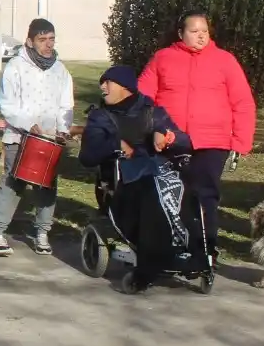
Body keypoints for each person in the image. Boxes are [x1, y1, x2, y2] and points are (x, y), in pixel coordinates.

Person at [138, 11, 255, 261]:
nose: (201, 36)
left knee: (205, 196)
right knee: (169, 193)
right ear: (181, 34)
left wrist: (241, 141)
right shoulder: (163, 58)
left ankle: (206, 250)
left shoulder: (225, 61)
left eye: (205, 31)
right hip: (171, 139)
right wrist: (155, 128)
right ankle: (168, 245)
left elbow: (243, 102)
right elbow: (143, 98)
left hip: (213, 142)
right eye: (194, 31)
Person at [80, 65, 193, 294]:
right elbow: (87, 155)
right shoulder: (100, 117)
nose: (102, 86)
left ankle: (196, 254)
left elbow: (185, 141)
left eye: (107, 82)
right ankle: (150, 265)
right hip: (124, 180)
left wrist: (168, 137)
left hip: (160, 173)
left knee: (187, 190)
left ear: (125, 87)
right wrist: (115, 144)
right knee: (151, 193)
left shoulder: (154, 113)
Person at [0, 18, 74, 257]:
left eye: (51, 39)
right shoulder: (16, 66)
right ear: (30, 41)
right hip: (19, 135)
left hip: (49, 139)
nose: (48, 44)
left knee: (47, 186)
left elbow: (66, 104)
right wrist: (27, 123)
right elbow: (7, 103)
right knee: (13, 184)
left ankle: (42, 233)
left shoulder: (60, 69)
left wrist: (63, 128)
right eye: (42, 40)